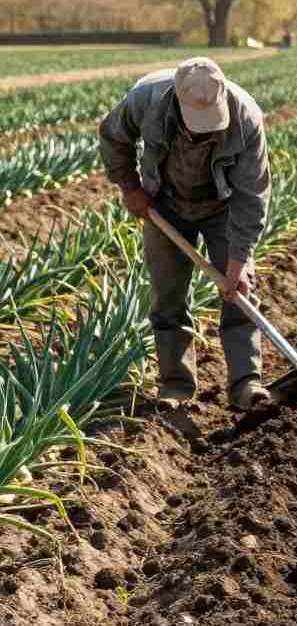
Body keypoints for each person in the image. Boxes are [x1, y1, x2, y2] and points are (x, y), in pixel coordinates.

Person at [98, 57, 272, 411]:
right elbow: (113, 135)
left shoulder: (246, 119)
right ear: (177, 98)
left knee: (240, 292)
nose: (203, 130)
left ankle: (246, 383)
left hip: (222, 209)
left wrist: (239, 260)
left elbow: (252, 197)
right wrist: (131, 187)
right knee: (168, 297)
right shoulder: (146, 99)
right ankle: (175, 385)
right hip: (165, 205)